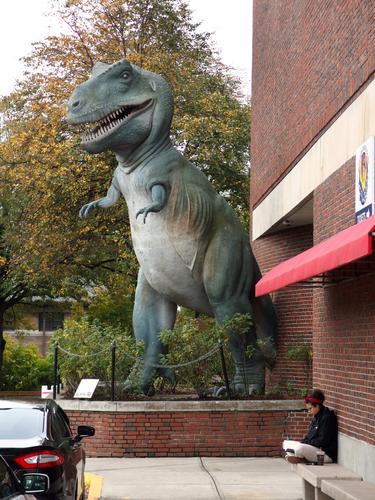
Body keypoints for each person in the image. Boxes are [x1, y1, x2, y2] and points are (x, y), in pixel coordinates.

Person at [283, 389, 338, 464]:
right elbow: (309, 436)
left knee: (300, 449)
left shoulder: (327, 417)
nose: (309, 411)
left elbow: (322, 441)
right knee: (286, 443)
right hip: (313, 448)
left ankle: (302, 458)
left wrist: (305, 444)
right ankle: (299, 456)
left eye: (310, 408)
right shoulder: (316, 417)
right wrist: (303, 442)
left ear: (317, 406)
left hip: (324, 454)